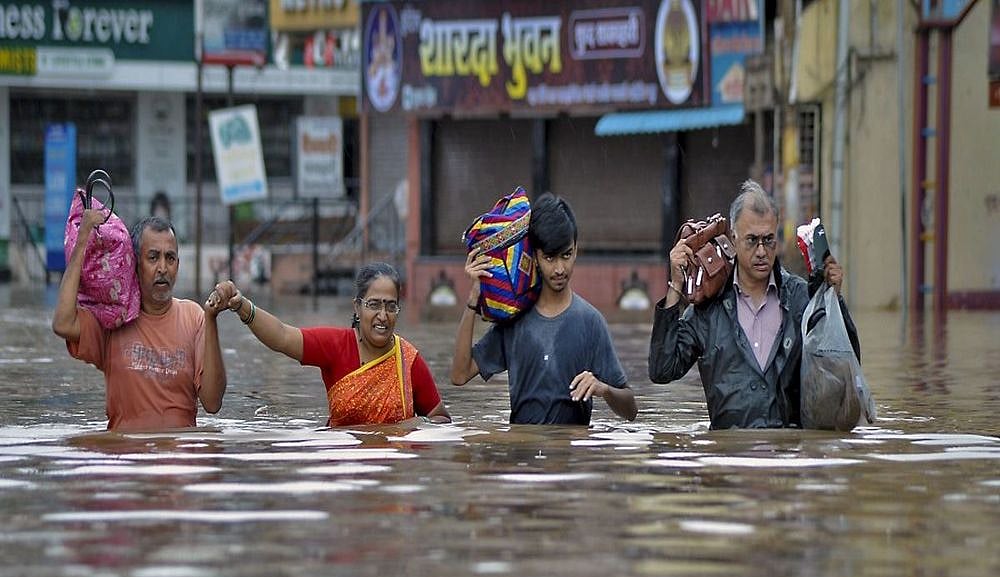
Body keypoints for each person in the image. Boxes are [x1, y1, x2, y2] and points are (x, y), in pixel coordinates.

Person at [648, 179, 861, 429]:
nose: (761, 251)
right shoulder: (708, 309)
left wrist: (834, 301)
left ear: (778, 239)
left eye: (768, 240)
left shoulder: (801, 299)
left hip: (789, 457)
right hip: (729, 458)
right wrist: (675, 286)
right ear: (733, 239)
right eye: (752, 240)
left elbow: (847, 366)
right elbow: (662, 370)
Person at [451, 193, 637, 425]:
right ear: (535, 256)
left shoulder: (591, 322)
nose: (560, 268)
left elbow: (631, 411)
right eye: (549, 258)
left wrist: (603, 389)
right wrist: (473, 298)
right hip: (522, 454)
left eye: (566, 255)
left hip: (570, 453)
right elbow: (459, 375)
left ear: (576, 250)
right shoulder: (514, 318)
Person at [208, 263, 450, 427]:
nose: (383, 316)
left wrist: (409, 429)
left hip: (394, 478)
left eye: (391, 306)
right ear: (357, 307)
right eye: (374, 304)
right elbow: (282, 336)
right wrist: (241, 306)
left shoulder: (408, 361)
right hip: (345, 474)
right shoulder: (336, 346)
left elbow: (441, 420)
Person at [52, 212, 227, 431]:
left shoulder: (195, 317)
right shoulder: (114, 319)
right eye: (153, 257)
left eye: (170, 258)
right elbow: (63, 323)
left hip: (182, 458)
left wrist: (212, 319)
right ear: (134, 263)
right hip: (125, 458)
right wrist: (82, 243)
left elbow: (212, 403)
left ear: (178, 266)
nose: (163, 268)